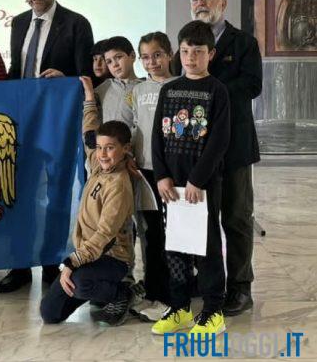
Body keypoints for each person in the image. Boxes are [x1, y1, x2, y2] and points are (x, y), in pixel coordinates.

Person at [0, 0, 94, 293]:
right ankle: (20, 265)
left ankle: (53, 264)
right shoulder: (18, 23)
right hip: (24, 123)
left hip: (57, 123)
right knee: (20, 194)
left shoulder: (77, 23)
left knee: (57, 194)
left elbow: (86, 74)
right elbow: (17, 70)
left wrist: (65, 79)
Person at [176, 0, 262, 316]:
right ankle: (207, 282)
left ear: (222, 4)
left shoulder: (244, 42)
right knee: (201, 219)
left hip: (235, 147)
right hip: (196, 151)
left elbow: (252, 85)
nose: (199, 2)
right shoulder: (186, 42)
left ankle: (240, 287)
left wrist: (210, 89)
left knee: (237, 218)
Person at [151, 20, 230, 336]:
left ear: (211, 54)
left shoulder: (217, 91)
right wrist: (161, 176)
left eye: (198, 52)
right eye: (185, 51)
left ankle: (213, 310)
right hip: (171, 185)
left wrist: (197, 180)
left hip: (202, 185)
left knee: (206, 247)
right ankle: (180, 307)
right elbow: (158, 135)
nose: (190, 58)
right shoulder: (169, 89)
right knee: (175, 247)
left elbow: (219, 141)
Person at [40, 76, 134, 326]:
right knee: (50, 313)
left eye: (110, 148)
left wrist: (71, 264)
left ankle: (121, 292)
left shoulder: (119, 185)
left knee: (81, 283)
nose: (102, 153)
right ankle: (91, 287)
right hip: (90, 255)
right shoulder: (97, 164)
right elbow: (89, 132)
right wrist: (90, 97)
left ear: (125, 149)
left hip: (112, 258)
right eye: (100, 148)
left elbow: (104, 236)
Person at [129, 31, 176, 321]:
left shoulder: (179, 86)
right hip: (145, 170)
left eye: (157, 55)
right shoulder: (138, 90)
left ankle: (175, 293)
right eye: (145, 57)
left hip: (171, 171)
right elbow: (136, 126)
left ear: (169, 54)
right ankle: (154, 291)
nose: (152, 62)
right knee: (152, 234)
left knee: (175, 234)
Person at [95, 36, 141, 126]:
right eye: (109, 62)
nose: (115, 65)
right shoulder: (101, 89)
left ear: (132, 56)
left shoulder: (144, 87)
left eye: (118, 57)